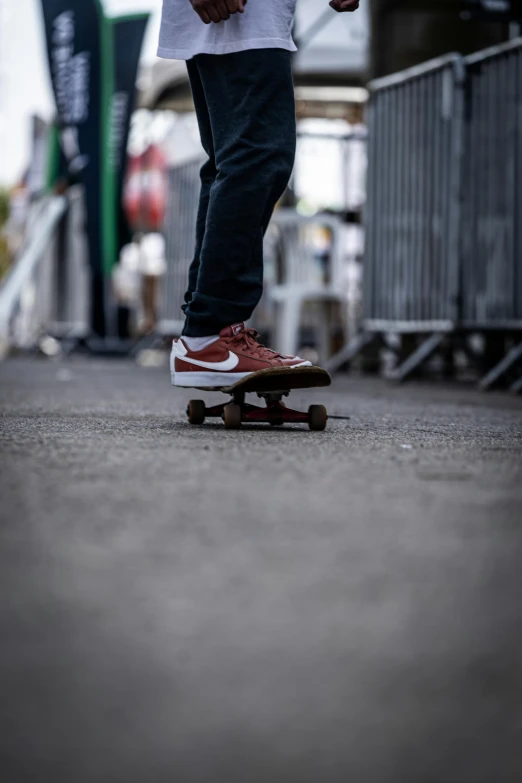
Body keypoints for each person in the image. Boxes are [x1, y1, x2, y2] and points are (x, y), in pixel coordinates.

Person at [159, 0, 361, 387]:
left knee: (235, 160)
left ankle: (206, 336)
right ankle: (211, 336)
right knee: (257, 155)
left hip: (248, 15)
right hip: (240, 13)